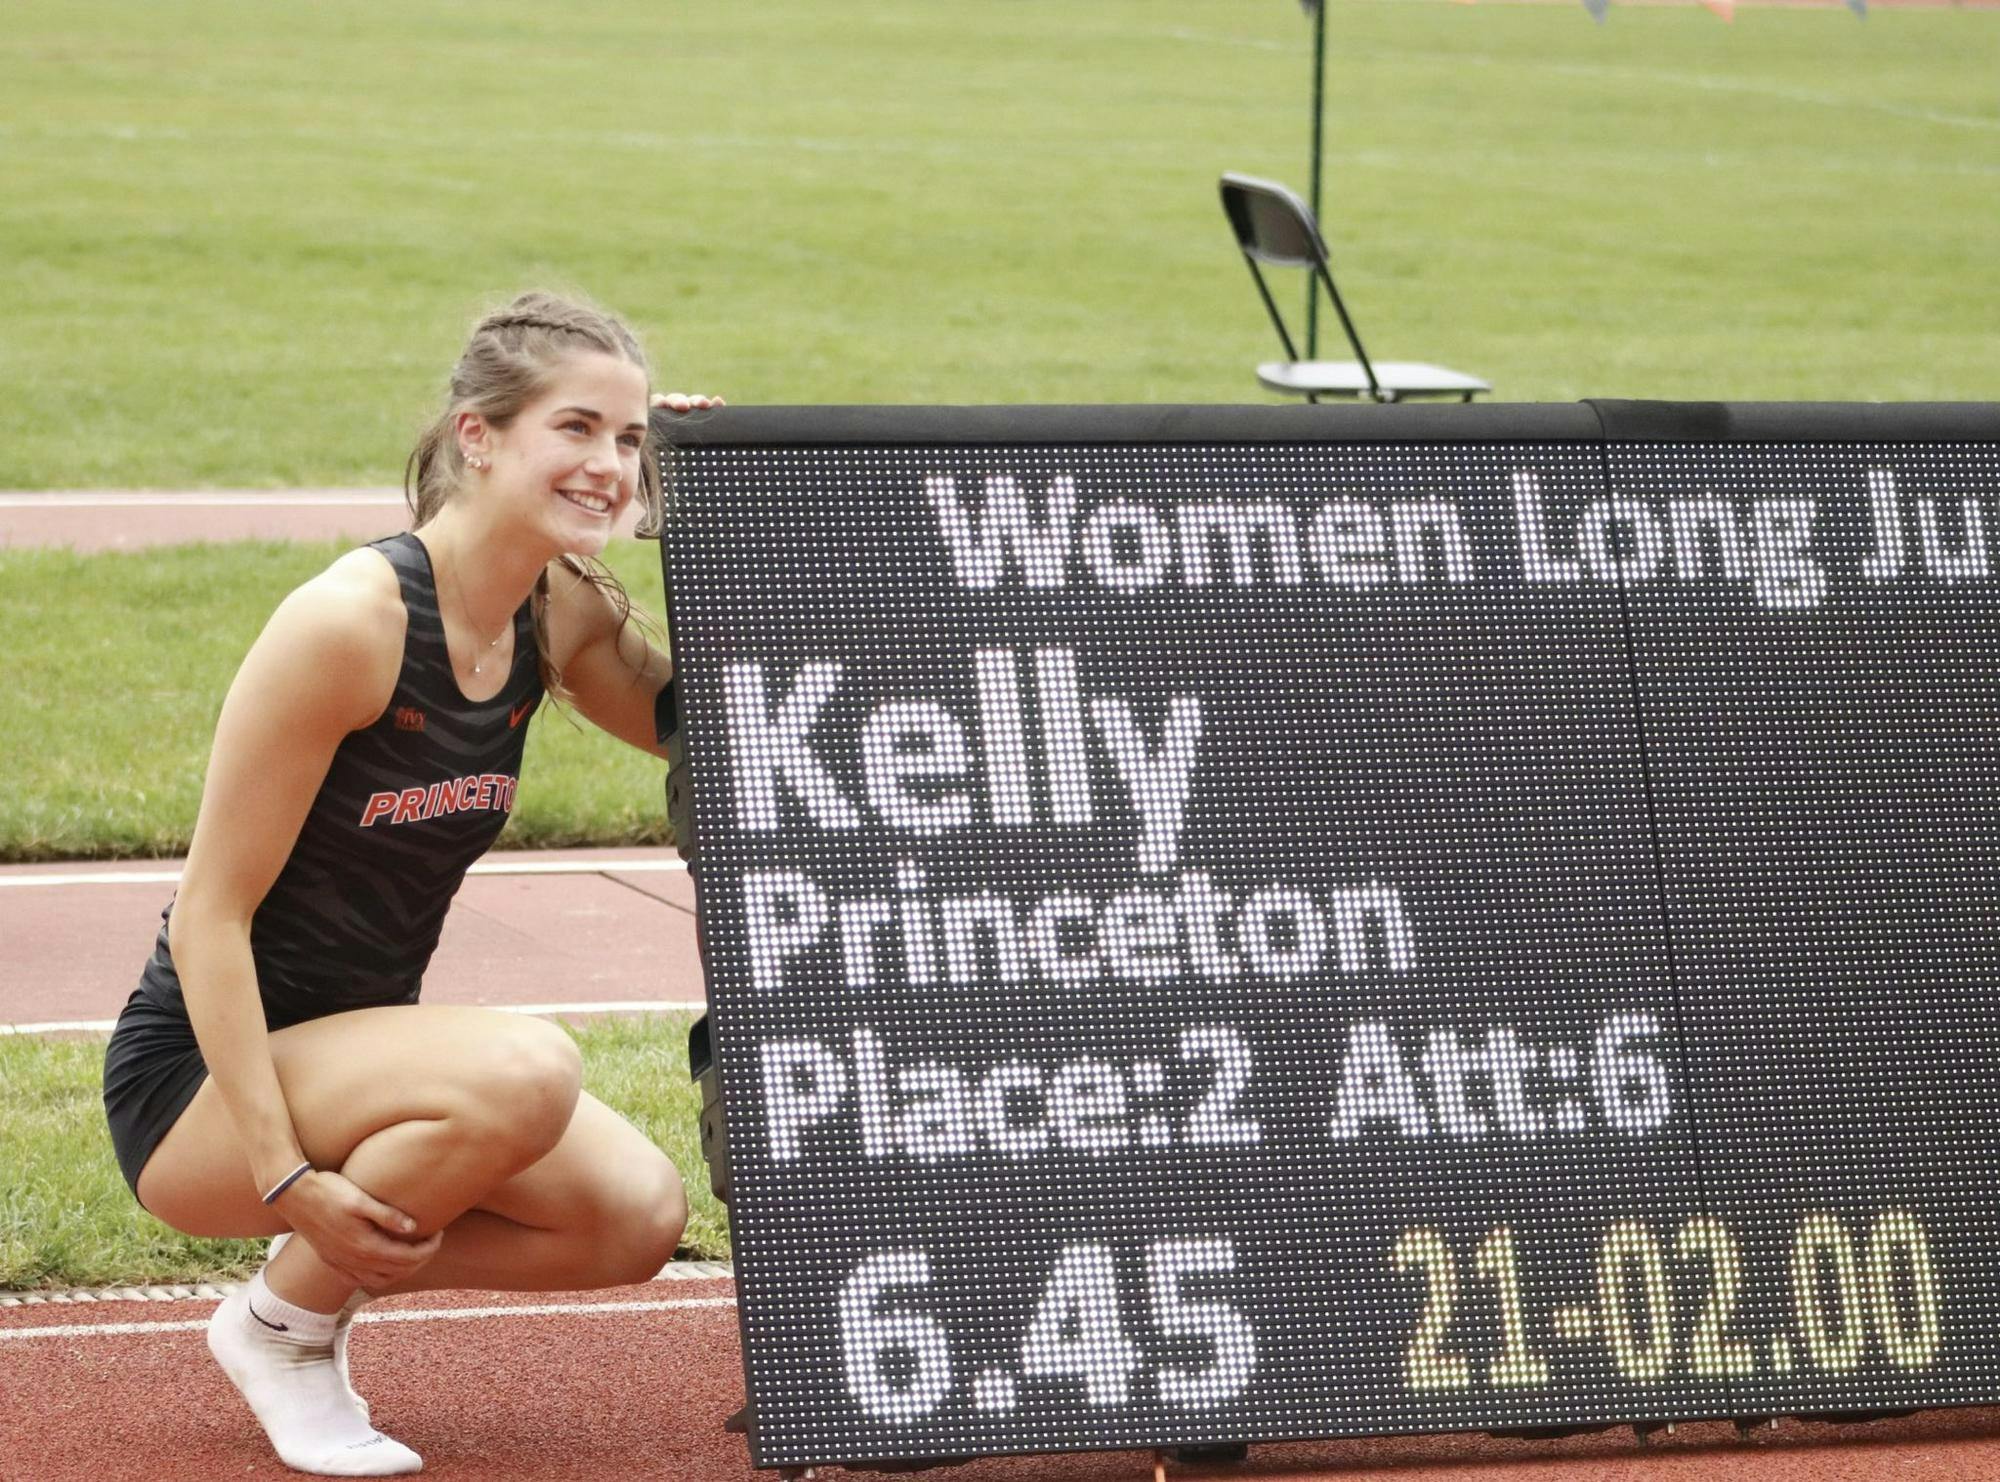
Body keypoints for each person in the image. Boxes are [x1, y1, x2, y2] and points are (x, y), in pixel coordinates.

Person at [100, 291, 720, 1476]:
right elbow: (211, 918)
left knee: (633, 1218)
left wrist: (724, 492)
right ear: (477, 435)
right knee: (525, 1069)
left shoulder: (560, 610)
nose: (609, 465)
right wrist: (287, 1176)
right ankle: (289, 1329)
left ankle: (284, 1293)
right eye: (576, 428)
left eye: (633, 440)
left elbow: (721, 721)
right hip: (202, 1093)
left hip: (364, 1062)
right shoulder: (349, 623)